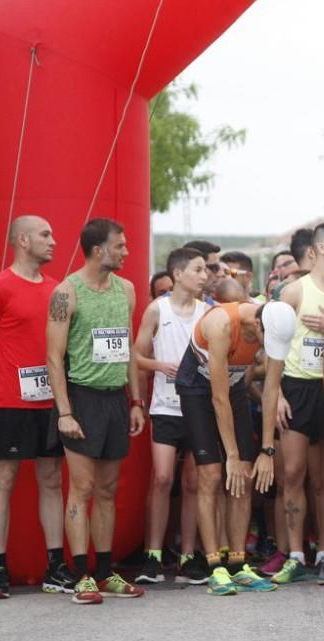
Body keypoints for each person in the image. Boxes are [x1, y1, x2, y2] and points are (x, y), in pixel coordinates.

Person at [46, 218, 146, 604]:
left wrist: (135, 401)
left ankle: (106, 573)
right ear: (98, 250)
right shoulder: (66, 292)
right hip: (82, 398)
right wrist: (65, 412)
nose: (126, 251)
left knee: (107, 490)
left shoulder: (128, 289)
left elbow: (130, 350)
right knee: (82, 488)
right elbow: (54, 358)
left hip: (115, 399)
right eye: (120, 246)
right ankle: (82, 575)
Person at [175, 291, 295, 596]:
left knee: (243, 472)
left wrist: (267, 449)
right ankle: (215, 565)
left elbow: (269, 391)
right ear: (257, 323)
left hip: (235, 387)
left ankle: (238, 563)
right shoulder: (221, 324)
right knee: (213, 474)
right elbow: (218, 398)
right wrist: (229, 453)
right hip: (198, 390)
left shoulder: (276, 324)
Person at [0, 215, 67, 599]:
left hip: (50, 401)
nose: (53, 240)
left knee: (51, 479)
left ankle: (56, 565)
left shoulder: (57, 290)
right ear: (22, 240)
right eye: (45, 234)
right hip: (7, 401)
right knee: (4, 479)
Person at [272, 223, 324, 584]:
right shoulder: (292, 292)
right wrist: (277, 397)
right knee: (292, 474)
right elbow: (269, 350)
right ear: (319, 249)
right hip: (297, 387)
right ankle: (295, 554)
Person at [133, 248, 209, 586]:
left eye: (205, 270)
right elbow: (135, 356)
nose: (204, 275)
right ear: (178, 274)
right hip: (165, 404)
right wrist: (159, 365)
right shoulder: (157, 309)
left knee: (193, 483)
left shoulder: (207, 313)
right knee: (163, 478)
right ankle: (153, 555)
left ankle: (189, 556)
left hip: (198, 407)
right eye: (197, 269)